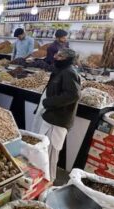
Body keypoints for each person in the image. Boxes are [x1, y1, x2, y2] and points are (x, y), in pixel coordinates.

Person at [34, 48, 81, 181]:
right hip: (51, 117)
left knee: (51, 154)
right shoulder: (60, 70)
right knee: (44, 152)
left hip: (58, 120)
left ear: (67, 59)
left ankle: (49, 182)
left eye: (59, 56)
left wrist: (49, 102)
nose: (55, 57)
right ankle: (42, 180)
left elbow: (73, 95)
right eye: (56, 54)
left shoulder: (69, 72)